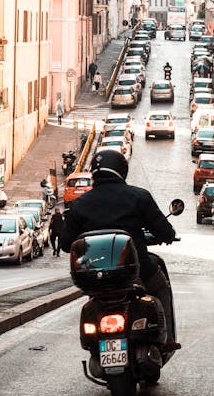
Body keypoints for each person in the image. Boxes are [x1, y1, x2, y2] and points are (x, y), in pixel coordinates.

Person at [61, 148, 180, 348]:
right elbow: (164, 231)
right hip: (137, 270)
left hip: (94, 275)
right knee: (160, 288)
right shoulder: (138, 197)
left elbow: (65, 244)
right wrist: (166, 236)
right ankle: (166, 339)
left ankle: (94, 342)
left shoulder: (79, 205)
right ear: (121, 170)